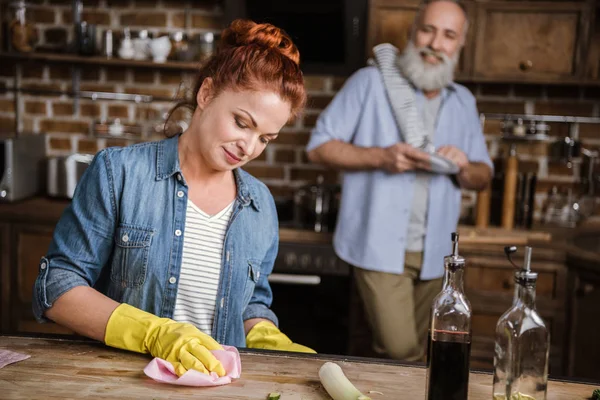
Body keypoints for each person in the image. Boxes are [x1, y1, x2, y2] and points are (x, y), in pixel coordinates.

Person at [32, 19, 314, 378]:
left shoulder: (260, 204)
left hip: (219, 387)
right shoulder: (120, 173)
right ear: (207, 94)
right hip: (124, 384)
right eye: (242, 123)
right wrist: (155, 333)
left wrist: (271, 339)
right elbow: (57, 286)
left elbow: (250, 304)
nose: (249, 147)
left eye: (265, 138)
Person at [306, 0, 493, 361]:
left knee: (426, 352)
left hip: (437, 253)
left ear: (460, 45)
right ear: (412, 32)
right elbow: (318, 148)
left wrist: (464, 165)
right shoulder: (369, 83)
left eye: (449, 35)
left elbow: (483, 176)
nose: (436, 43)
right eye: (428, 30)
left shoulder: (463, 102)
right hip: (377, 247)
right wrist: (381, 157)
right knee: (401, 351)